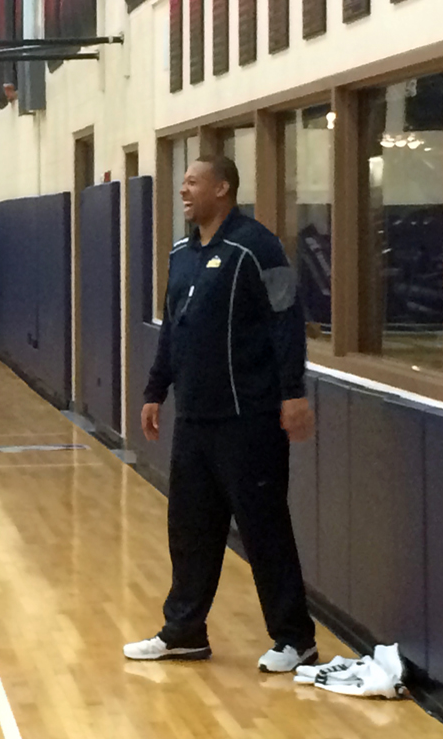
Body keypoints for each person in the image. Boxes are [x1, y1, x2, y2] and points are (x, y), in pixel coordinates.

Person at [123, 154, 318, 674]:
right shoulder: (181, 253)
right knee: (190, 530)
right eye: (183, 182)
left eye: (193, 182)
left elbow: (286, 318)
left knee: (263, 529)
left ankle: (295, 639)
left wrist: (292, 392)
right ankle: (184, 632)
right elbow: (174, 328)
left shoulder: (257, 246)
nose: (183, 190)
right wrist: (155, 389)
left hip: (249, 418)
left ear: (222, 188)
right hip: (194, 420)